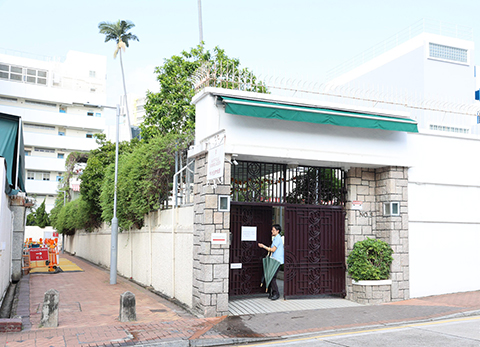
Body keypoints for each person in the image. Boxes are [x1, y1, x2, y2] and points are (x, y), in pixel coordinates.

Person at [258, 224, 284, 300]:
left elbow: (273, 250)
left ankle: (276, 293)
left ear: (277, 231)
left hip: (277, 261)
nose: (271, 231)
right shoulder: (276, 238)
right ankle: (272, 293)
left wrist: (263, 246)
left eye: (273, 230)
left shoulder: (277, 239)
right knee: (272, 277)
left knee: (272, 277)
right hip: (275, 260)